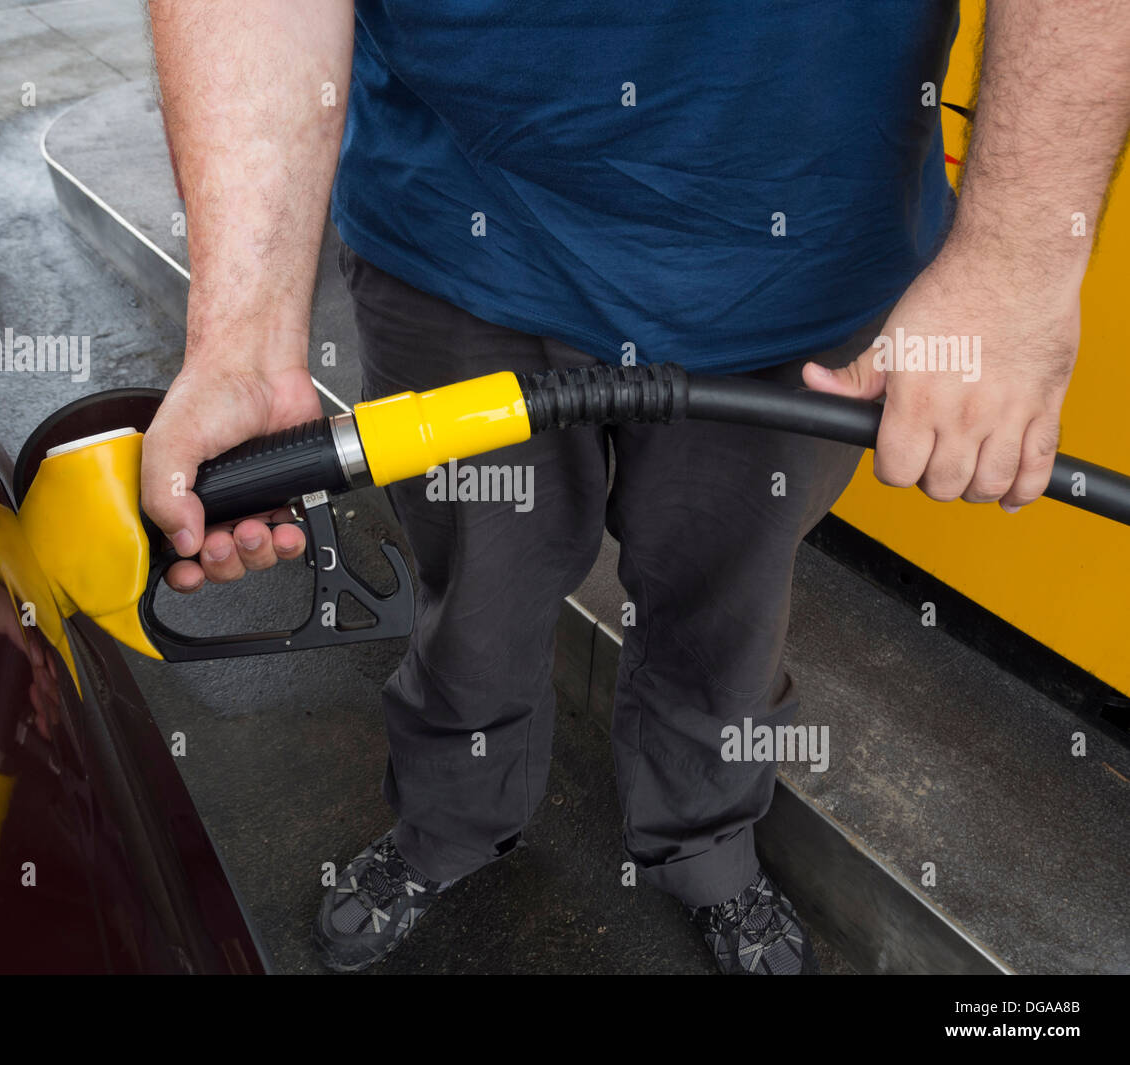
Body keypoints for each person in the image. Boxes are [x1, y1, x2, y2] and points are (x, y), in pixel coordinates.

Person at [141, 1, 1130, 974]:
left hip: (793, 271)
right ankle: (448, 826)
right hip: (460, 244)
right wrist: (242, 333)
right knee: (478, 608)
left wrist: (1016, 256)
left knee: (723, 620)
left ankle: (703, 848)